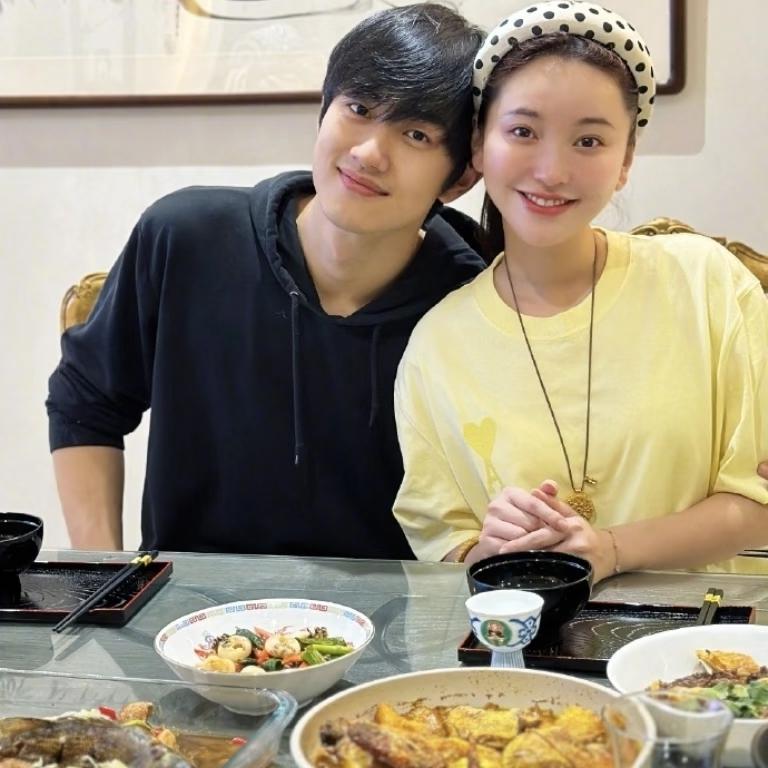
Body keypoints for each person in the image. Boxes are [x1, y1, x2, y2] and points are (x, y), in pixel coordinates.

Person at [46, 4, 487, 557]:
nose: (369, 153)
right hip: (192, 602)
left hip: (396, 606)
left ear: (460, 177)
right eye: (358, 108)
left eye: (416, 135)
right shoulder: (187, 237)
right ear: (324, 108)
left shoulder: (477, 298)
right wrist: (107, 573)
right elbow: (85, 400)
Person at [393, 1, 768, 581]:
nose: (551, 171)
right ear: (479, 145)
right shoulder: (436, 346)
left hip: (704, 626)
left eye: (589, 141)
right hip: (529, 629)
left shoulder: (705, 283)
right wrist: (492, 546)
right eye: (523, 131)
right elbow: (447, 543)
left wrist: (611, 548)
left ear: (626, 160)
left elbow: (758, 501)